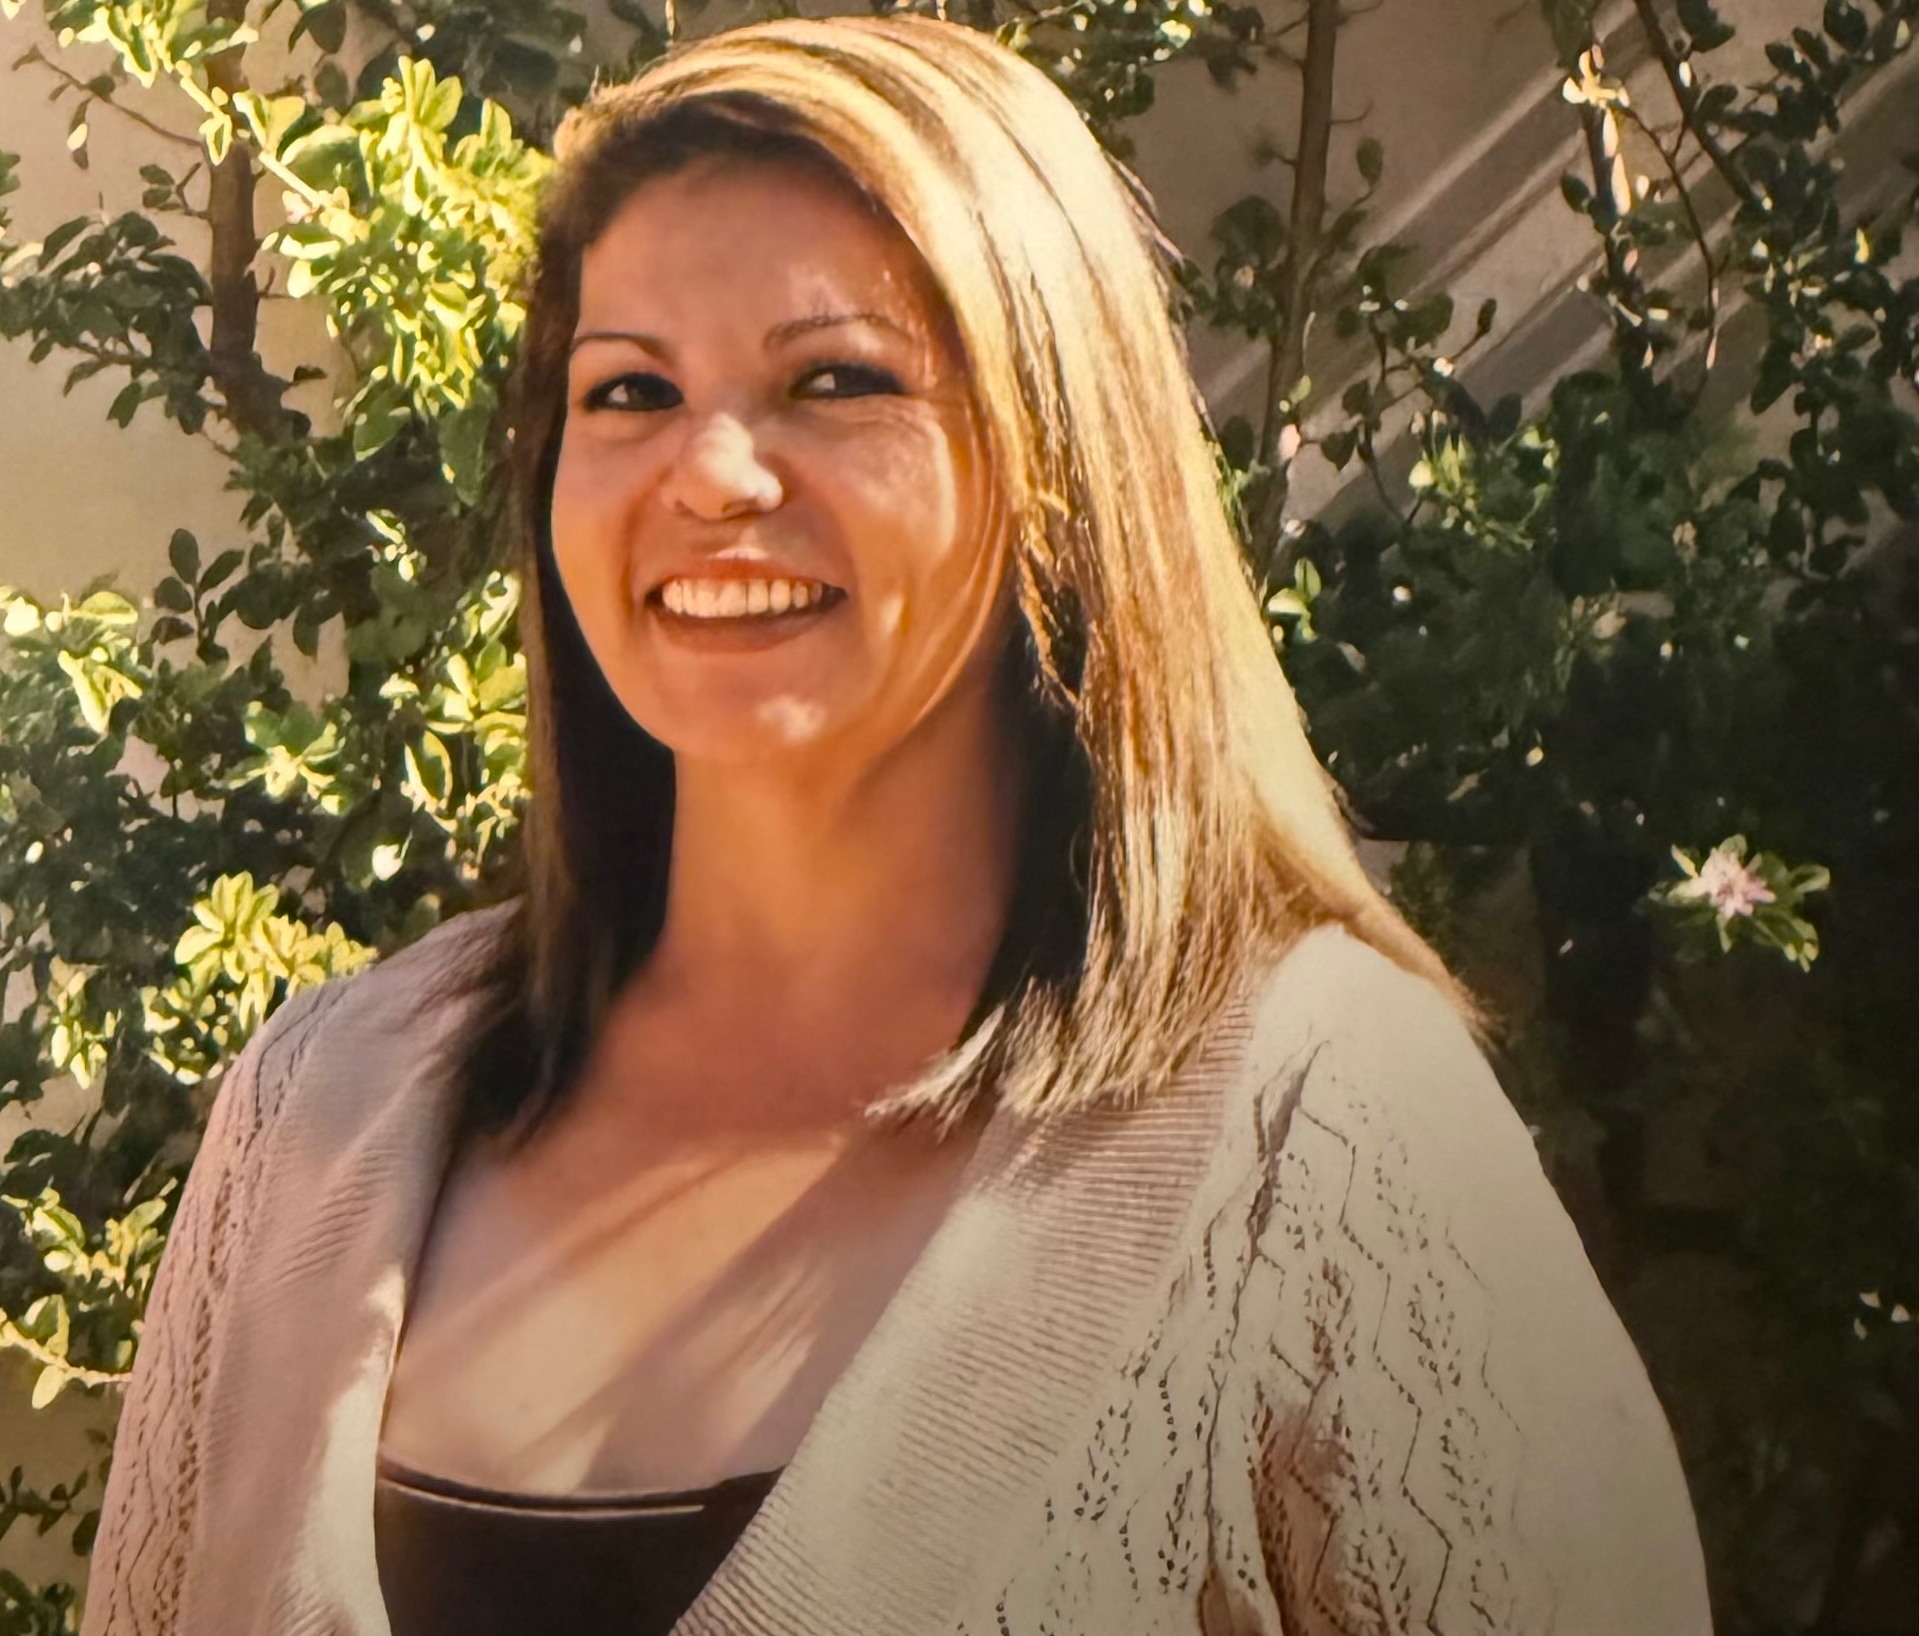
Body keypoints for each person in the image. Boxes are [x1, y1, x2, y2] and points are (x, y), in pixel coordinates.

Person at [83, 14, 1713, 1635]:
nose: (711, 473)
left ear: (1056, 463)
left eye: (835, 380)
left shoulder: (1316, 1132)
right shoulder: (314, 1114)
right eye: (629, 389)